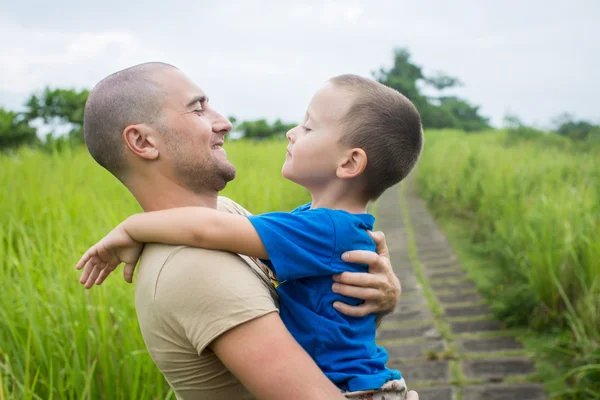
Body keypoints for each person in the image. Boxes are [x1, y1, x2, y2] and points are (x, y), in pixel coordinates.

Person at [78, 66, 423, 400]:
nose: (225, 122)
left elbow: (320, 308)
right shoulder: (195, 267)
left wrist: (381, 297)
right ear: (142, 140)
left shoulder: (227, 214)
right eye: (198, 109)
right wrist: (132, 227)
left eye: (308, 127)